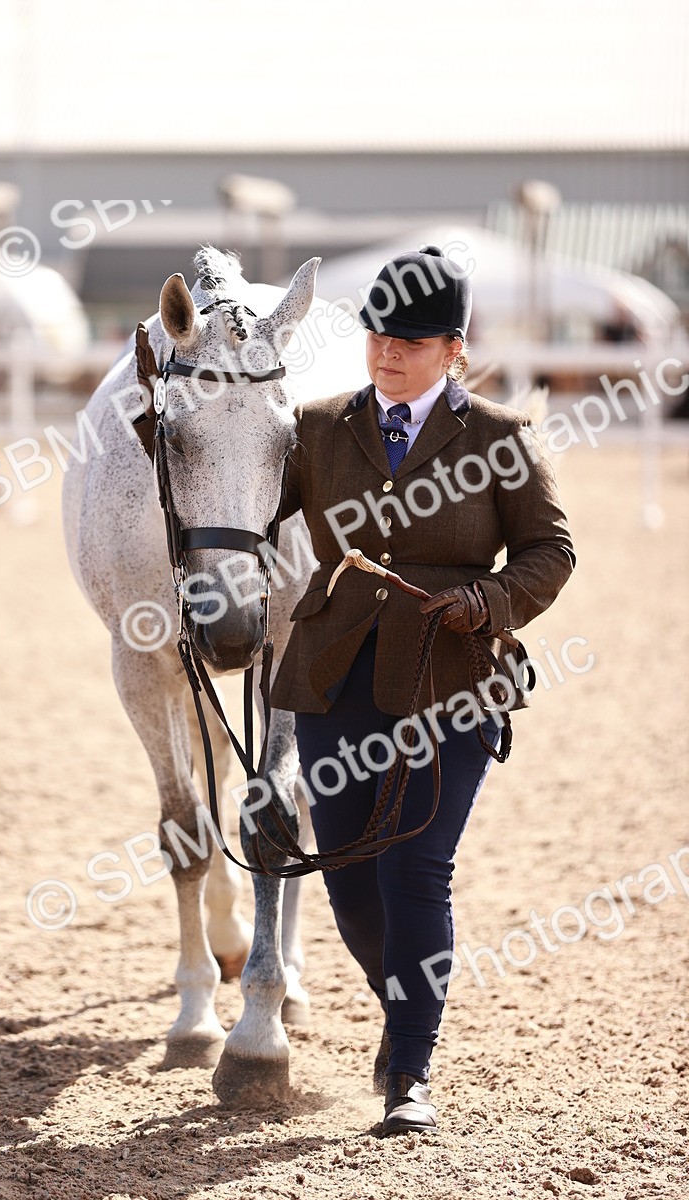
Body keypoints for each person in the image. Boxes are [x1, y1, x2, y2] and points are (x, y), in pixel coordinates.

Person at [271, 246, 575, 1136]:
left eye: (409, 341)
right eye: (378, 336)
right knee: (347, 877)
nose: (388, 353)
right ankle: (403, 1004)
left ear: (454, 349)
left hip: (453, 676)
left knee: (416, 867)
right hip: (332, 677)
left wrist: (488, 601)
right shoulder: (318, 427)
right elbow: (247, 504)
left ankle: (409, 1068)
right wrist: (173, 432)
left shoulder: (501, 438)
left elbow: (551, 551)